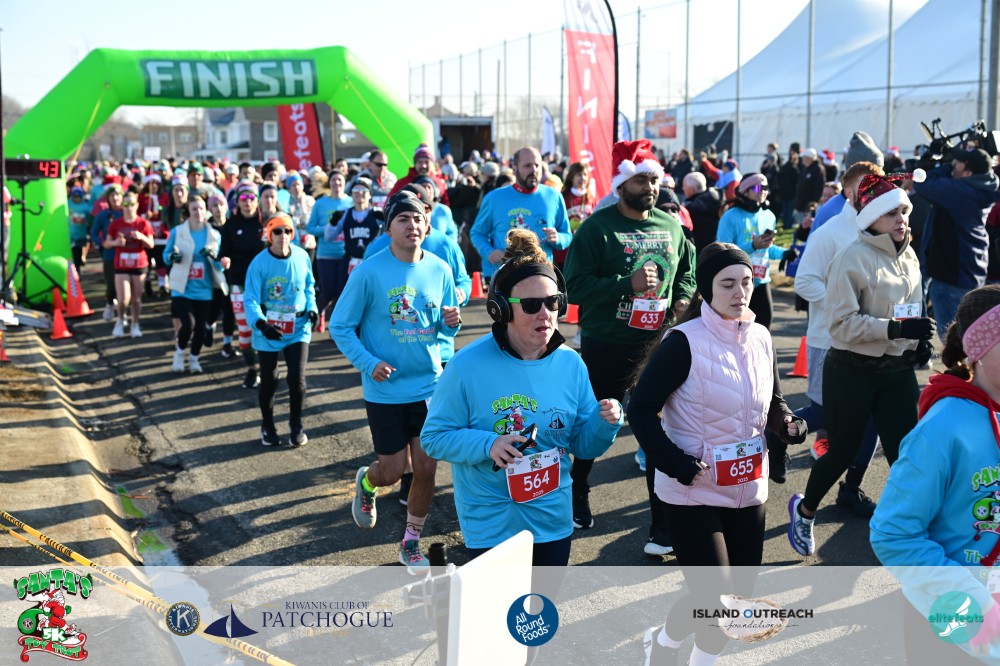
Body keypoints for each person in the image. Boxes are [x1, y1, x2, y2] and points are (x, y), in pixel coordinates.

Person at [630, 242, 805, 666]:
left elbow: (773, 400)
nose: (739, 292)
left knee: (734, 600)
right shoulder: (683, 342)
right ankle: (673, 650)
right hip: (693, 488)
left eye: (746, 282)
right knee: (717, 600)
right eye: (727, 284)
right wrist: (675, 463)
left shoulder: (760, 336)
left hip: (748, 486)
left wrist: (786, 422)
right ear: (706, 289)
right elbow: (640, 409)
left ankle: (663, 641)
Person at [421, 228, 624, 566]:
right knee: (500, 604)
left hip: (552, 520)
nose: (545, 313)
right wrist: (488, 444)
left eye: (552, 302)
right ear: (501, 309)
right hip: (492, 523)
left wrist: (606, 424)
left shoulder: (571, 364)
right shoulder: (465, 366)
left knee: (541, 603)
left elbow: (583, 445)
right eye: (531, 305)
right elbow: (434, 438)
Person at [788, 172, 935, 557]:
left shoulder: (910, 254)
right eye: (891, 213)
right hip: (851, 370)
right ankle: (805, 511)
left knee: (906, 454)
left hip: (897, 370)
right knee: (842, 452)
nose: (901, 219)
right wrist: (896, 328)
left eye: (904, 211)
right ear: (871, 218)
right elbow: (840, 324)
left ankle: (905, 527)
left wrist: (916, 341)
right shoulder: (851, 256)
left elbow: (910, 308)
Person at [563, 139, 696, 555]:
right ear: (621, 185)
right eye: (641, 180)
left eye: (653, 180)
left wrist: (681, 300)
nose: (649, 187)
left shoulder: (671, 226)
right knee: (595, 422)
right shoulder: (597, 228)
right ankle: (578, 487)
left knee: (656, 432)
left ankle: (662, 526)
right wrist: (627, 284)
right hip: (607, 343)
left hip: (657, 346)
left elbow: (688, 272)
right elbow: (573, 287)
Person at [330, 191, 460, 574]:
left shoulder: (440, 269)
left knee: (426, 468)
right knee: (392, 470)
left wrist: (451, 324)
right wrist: (368, 363)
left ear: (427, 225)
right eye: (403, 219)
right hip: (385, 391)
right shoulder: (368, 272)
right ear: (389, 228)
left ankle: (410, 543)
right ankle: (367, 484)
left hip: (429, 387)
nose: (412, 225)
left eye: (418, 218)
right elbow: (340, 326)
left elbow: (441, 331)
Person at [871, 284, 1000, 665]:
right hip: (951, 616)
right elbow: (894, 535)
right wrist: (976, 603)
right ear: (978, 351)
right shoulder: (941, 428)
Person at [791, 161, 886, 511]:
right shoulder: (829, 232)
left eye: (877, 185)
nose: (871, 192)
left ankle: (851, 488)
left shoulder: (882, 229)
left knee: (872, 416)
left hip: (871, 340)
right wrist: (842, 304)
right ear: (847, 191)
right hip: (829, 341)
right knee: (824, 413)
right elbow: (804, 282)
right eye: (864, 186)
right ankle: (771, 435)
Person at [243, 213, 317, 447]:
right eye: (277, 231)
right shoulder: (259, 263)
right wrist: (262, 324)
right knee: (269, 381)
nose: (282, 236)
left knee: (297, 380)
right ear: (269, 235)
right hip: (269, 328)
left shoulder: (302, 256)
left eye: (287, 231)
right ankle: (268, 425)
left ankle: (296, 425)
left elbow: (309, 286)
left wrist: (313, 309)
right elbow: (250, 299)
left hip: (298, 327)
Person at [915, 147, 1000, 338]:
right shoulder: (983, 185)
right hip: (969, 269)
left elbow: (922, 182)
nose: (954, 163)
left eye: (958, 163)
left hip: (952, 277)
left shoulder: (962, 191)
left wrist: (945, 167)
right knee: (969, 335)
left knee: (954, 339)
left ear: (968, 173)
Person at [471, 146, 572, 280]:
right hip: (505, 277)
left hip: (542, 276)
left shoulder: (554, 196)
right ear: (514, 168)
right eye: (527, 166)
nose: (534, 170)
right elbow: (477, 233)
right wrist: (488, 252)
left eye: (537, 165)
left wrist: (558, 238)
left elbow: (567, 235)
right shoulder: (494, 198)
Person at [715, 173, 795, 330]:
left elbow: (767, 248)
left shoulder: (769, 216)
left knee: (764, 328)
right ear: (745, 191)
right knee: (737, 330)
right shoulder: (730, 216)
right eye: (758, 188)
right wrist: (752, 246)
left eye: (766, 188)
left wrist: (784, 253)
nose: (763, 191)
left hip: (760, 280)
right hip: (737, 282)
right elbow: (722, 251)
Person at [164, 196, 226, 374]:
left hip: (204, 289)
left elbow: (219, 265)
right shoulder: (177, 232)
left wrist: (214, 257)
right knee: (188, 324)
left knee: (200, 328)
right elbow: (166, 255)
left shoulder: (214, 235)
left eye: (201, 209)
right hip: (182, 288)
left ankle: (194, 359)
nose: (198, 212)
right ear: (188, 212)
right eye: (194, 209)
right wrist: (172, 257)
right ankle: (180, 353)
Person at [219, 181, 268, 389]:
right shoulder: (230, 225)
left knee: (264, 327)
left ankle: (267, 369)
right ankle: (251, 369)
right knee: (245, 329)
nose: (248, 202)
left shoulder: (266, 223)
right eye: (243, 198)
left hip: (264, 285)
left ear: (257, 201)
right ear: (237, 202)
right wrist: (224, 260)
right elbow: (223, 251)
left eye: (251, 198)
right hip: (238, 283)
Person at [103, 187, 154, 338]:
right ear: (122, 206)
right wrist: (116, 243)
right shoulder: (116, 224)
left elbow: (151, 244)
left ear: (137, 205)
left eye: (131, 204)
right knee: (123, 299)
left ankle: (135, 324)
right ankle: (120, 320)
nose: (129, 207)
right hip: (121, 265)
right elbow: (106, 243)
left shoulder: (143, 223)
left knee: (136, 299)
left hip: (139, 264)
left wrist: (141, 237)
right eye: (125, 204)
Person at [306, 169, 353, 328]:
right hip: (325, 255)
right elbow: (310, 228)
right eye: (333, 180)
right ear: (329, 183)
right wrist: (327, 229)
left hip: (346, 254)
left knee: (342, 293)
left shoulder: (351, 202)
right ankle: (316, 315)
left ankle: (336, 326)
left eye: (340, 180)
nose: (336, 183)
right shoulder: (320, 203)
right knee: (328, 292)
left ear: (344, 183)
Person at [204, 193, 239, 358]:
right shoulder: (207, 228)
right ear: (210, 209)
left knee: (229, 308)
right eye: (214, 205)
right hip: (213, 274)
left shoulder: (233, 225)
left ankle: (227, 343)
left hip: (230, 273)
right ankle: (208, 326)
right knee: (214, 308)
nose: (218, 209)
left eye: (221, 205)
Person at [89, 184, 124, 320]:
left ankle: (123, 314)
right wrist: (103, 243)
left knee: (127, 287)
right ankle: (110, 303)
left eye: (118, 195)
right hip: (110, 254)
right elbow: (93, 234)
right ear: (108, 198)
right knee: (111, 285)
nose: (115, 198)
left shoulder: (127, 213)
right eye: (112, 195)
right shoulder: (103, 215)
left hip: (127, 255)